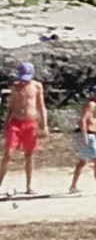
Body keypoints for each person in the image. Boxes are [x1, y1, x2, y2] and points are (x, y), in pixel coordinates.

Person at [0, 63, 47, 195]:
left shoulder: (37, 86)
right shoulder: (15, 87)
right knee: (8, 153)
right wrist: (5, 125)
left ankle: (29, 185)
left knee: (29, 154)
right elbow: (10, 107)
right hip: (15, 123)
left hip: (31, 123)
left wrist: (44, 125)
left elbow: (41, 107)